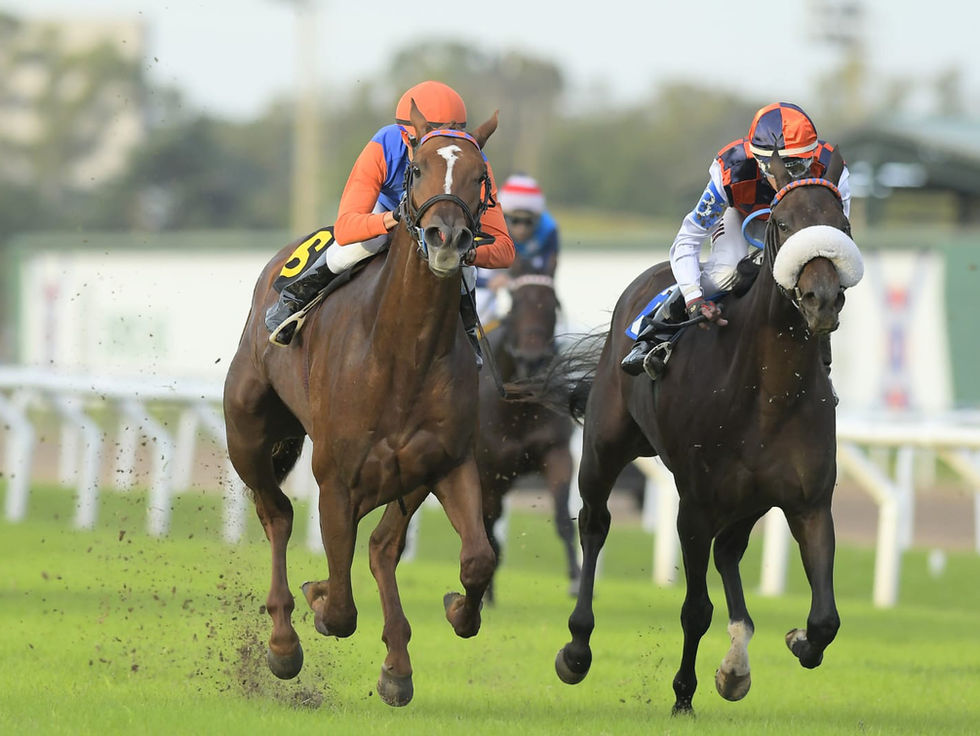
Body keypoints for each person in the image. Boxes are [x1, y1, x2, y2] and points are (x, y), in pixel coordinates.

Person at [265, 80, 515, 361]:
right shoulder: (384, 144)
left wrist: (469, 254)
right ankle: (295, 299)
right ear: (406, 137)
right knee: (359, 246)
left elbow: (505, 250)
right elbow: (345, 228)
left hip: (444, 223)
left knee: (466, 268)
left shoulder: (472, 161)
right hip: (388, 212)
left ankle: (469, 332)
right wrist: (390, 219)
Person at [620, 101, 852, 381]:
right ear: (760, 161)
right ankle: (653, 333)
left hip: (800, 226)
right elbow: (689, 237)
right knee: (725, 273)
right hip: (743, 218)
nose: (791, 177)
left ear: (812, 155)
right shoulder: (731, 169)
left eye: (800, 165)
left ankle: (821, 361)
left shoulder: (833, 170)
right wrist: (694, 297)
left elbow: (836, 240)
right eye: (782, 167)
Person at [475, 173, 560, 322]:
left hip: (525, 267)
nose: (522, 228)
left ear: (537, 219)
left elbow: (548, 272)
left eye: (528, 222)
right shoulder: (489, 226)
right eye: (515, 220)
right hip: (497, 266)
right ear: (505, 217)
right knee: (482, 299)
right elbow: (469, 271)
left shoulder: (549, 229)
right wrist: (487, 283)